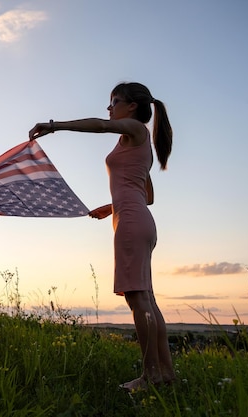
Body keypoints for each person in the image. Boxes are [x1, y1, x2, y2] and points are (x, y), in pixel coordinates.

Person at [28, 82, 175, 391]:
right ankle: (165, 373)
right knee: (146, 298)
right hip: (137, 218)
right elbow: (147, 194)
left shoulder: (135, 129)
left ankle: (150, 376)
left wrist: (55, 126)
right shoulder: (136, 143)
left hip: (133, 223)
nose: (109, 108)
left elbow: (100, 125)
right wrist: (111, 208)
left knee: (138, 298)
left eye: (114, 101)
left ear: (131, 106)